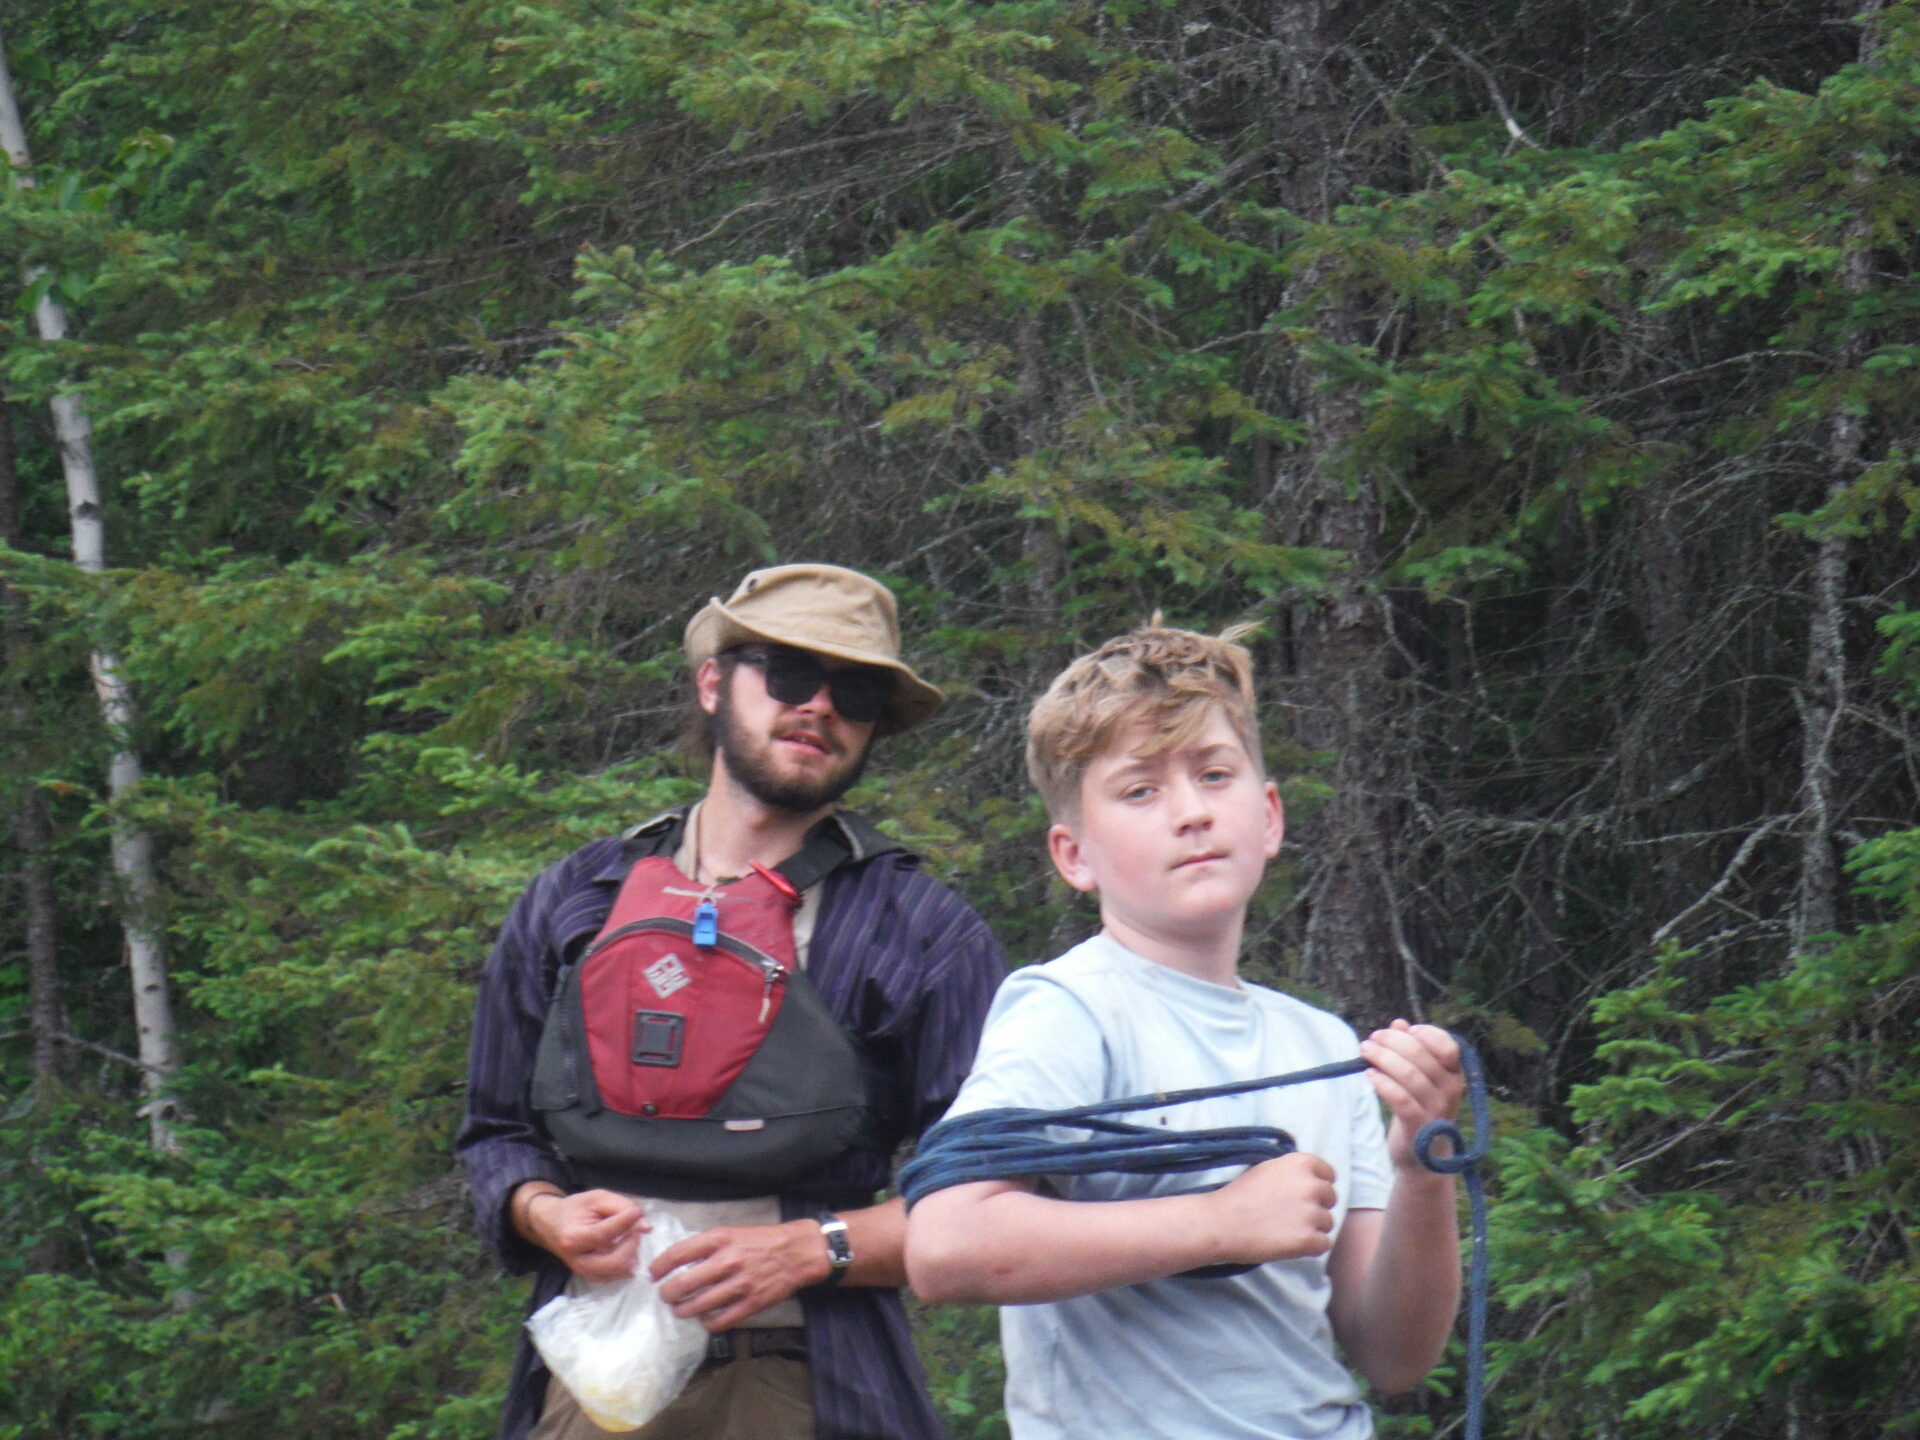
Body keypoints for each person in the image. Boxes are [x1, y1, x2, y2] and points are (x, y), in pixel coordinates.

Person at [458, 564, 1007, 1440]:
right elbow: (495, 1131)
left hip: (814, 1383)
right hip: (589, 1378)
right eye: (789, 673)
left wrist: (812, 1248)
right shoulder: (577, 900)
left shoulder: (921, 932)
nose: (820, 706)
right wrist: (542, 1212)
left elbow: (996, 1196)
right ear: (713, 681)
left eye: (856, 691)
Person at [904, 624, 1465, 1440]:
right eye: (1141, 791)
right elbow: (945, 1246)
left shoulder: (1319, 1044)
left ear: (1268, 816)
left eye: (1214, 774)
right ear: (1073, 855)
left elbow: (1394, 1356)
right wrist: (1220, 1222)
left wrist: (1419, 1167)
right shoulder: (1069, 1006)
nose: (1193, 813)